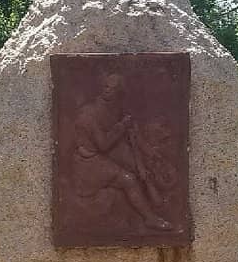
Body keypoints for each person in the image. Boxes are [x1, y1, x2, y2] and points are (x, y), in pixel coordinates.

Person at [70, 73, 173, 231]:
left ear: (119, 91)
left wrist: (146, 151)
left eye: (113, 88)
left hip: (103, 155)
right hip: (89, 163)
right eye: (106, 86)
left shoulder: (114, 109)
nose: (108, 91)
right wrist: (122, 126)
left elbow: (132, 134)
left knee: (136, 166)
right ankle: (150, 218)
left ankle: (154, 203)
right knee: (129, 179)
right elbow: (103, 144)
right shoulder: (88, 114)